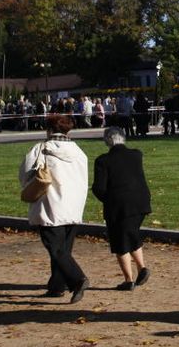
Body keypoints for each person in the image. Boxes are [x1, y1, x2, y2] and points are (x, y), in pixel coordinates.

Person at [20, 114, 91, 302]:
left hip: (50, 204)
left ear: (49, 129)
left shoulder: (40, 149)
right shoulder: (79, 152)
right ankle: (57, 285)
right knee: (64, 250)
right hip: (73, 206)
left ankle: (77, 279)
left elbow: (25, 176)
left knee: (56, 249)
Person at [91, 127, 152, 290]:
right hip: (140, 202)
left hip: (118, 205)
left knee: (120, 241)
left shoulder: (102, 161)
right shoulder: (136, 154)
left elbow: (99, 188)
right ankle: (141, 269)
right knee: (130, 233)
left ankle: (129, 280)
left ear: (107, 140)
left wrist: (108, 200)